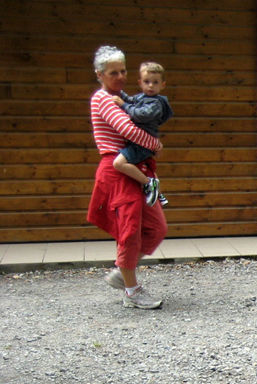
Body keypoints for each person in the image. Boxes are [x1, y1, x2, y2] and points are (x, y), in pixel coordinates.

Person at [87, 45, 168, 310]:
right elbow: (128, 130)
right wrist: (155, 144)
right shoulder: (102, 99)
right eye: (113, 73)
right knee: (129, 231)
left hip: (137, 168)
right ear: (100, 74)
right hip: (116, 170)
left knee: (157, 228)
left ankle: (122, 273)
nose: (120, 76)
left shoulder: (123, 96)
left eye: (123, 71)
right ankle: (132, 291)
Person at [110, 61, 173, 207]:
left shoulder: (155, 104)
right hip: (138, 142)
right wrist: (119, 93)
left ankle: (148, 183)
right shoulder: (142, 97)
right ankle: (159, 193)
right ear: (140, 83)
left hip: (142, 144)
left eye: (155, 82)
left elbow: (140, 115)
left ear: (162, 85)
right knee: (148, 167)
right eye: (147, 82)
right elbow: (131, 99)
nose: (150, 86)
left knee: (118, 163)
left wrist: (123, 105)